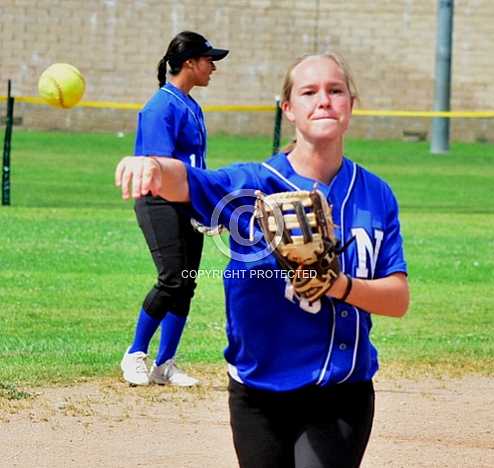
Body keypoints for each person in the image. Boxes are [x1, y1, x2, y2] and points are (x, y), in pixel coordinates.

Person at [115, 53, 410, 467]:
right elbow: (188, 180)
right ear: (288, 109)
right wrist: (149, 163)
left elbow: (397, 298)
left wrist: (338, 286)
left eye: (335, 90)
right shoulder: (251, 187)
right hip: (256, 392)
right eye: (308, 92)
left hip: (338, 389)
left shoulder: (375, 195)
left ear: (351, 104)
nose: (323, 100)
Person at [119, 31, 229, 387]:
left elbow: (193, 168)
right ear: (188, 64)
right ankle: (135, 354)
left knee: (186, 283)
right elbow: (158, 168)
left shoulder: (189, 104)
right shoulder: (160, 107)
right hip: (158, 200)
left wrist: (208, 206)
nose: (213, 66)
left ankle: (165, 364)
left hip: (185, 200)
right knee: (171, 278)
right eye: (208, 59)